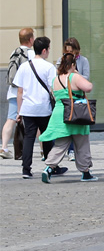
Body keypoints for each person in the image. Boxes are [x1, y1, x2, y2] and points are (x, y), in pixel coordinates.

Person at [39, 53, 97, 183]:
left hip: (60, 114)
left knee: (60, 145)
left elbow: (54, 96)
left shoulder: (55, 79)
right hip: (76, 114)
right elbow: (88, 87)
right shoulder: (74, 76)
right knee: (82, 144)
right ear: (72, 65)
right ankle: (85, 172)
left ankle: (48, 168)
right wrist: (77, 73)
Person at [13, 37, 57, 179]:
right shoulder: (49, 67)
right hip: (44, 108)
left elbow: (19, 91)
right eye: (49, 49)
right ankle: (50, 167)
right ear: (44, 50)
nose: (49, 52)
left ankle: (26, 169)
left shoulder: (24, 66)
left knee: (29, 138)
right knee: (47, 137)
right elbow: (53, 89)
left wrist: (19, 111)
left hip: (28, 109)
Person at [1, 27, 34, 158]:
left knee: (11, 119)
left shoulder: (14, 52)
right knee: (35, 121)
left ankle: (4, 148)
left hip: (13, 92)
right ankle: (44, 150)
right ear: (31, 39)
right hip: (27, 93)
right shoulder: (32, 54)